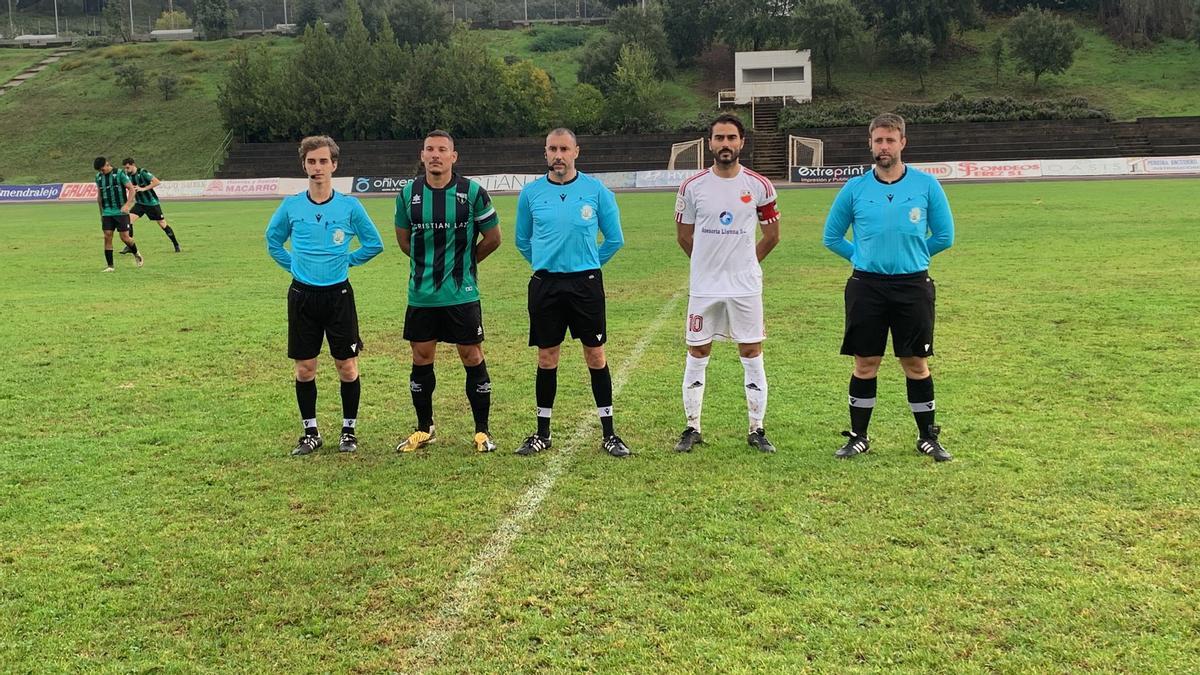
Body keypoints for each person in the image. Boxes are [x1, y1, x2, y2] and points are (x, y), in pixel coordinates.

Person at [822, 112, 955, 462]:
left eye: (890, 140)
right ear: (870, 143)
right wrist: (861, 256)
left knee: (915, 361)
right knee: (866, 362)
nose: (884, 146)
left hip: (913, 286)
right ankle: (858, 436)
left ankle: (927, 436)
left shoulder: (926, 186)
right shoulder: (855, 188)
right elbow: (831, 237)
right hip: (867, 286)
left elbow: (945, 236)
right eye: (878, 140)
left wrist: (913, 256)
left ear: (902, 143)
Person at [513, 128, 630, 458]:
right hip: (545, 284)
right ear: (545, 153)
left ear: (576, 151)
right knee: (547, 357)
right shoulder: (531, 193)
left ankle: (609, 433)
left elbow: (615, 239)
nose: (558, 155)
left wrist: (589, 264)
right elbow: (522, 240)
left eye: (564, 148)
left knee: (595, 354)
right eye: (552, 149)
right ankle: (542, 433)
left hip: (586, 284)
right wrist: (544, 263)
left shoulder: (596, 191)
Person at [265, 136, 384, 456]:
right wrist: (295, 265)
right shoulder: (292, 206)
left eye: (323, 162)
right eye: (311, 162)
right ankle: (310, 432)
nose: (317, 168)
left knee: (347, 366)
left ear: (334, 165)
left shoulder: (349, 206)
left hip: (338, 296)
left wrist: (347, 260)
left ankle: (349, 431)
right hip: (302, 296)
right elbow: (273, 241)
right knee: (305, 368)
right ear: (303, 165)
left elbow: (374, 244)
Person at [673, 114, 781, 453]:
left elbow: (772, 236)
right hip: (705, 287)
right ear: (709, 142)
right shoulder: (692, 187)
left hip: (745, 287)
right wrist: (707, 265)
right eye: (719, 138)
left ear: (741, 142)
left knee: (751, 352)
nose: (725, 144)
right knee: (698, 351)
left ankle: (757, 428)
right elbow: (684, 236)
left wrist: (745, 264)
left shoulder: (760, 186)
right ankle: (692, 427)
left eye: (731, 138)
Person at [393, 130, 502, 454]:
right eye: (430, 149)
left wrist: (465, 265)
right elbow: (404, 241)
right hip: (422, 295)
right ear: (422, 155)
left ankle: (482, 431)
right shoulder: (407, 194)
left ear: (454, 157)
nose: (435, 155)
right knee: (421, 357)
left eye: (442, 150)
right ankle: (424, 428)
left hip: (462, 294)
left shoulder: (472, 193)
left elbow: (493, 238)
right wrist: (430, 266)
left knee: (471, 356)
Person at [120, 158, 181, 253]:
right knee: (128, 220)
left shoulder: (143, 172)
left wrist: (143, 188)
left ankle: (176, 244)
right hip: (140, 204)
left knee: (162, 224)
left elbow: (157, 181)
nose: (126, 170)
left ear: (133, 165)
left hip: (151, 203)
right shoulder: (127, 175)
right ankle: (129, 246)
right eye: (125, 168)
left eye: (128, 167)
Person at [93, 156, 142, 271]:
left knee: (125, 237)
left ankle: (136, 253)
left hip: (120, 212)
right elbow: (99, 196)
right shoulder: (98, 177)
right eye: (99, 170)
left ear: (107, 164)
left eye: (102, 169)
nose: (101, 172)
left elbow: (131, 189)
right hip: (107, 212)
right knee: (107, 236)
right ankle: (110, 266)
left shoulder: (119, 174)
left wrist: (127, 205)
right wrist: (101, 213)